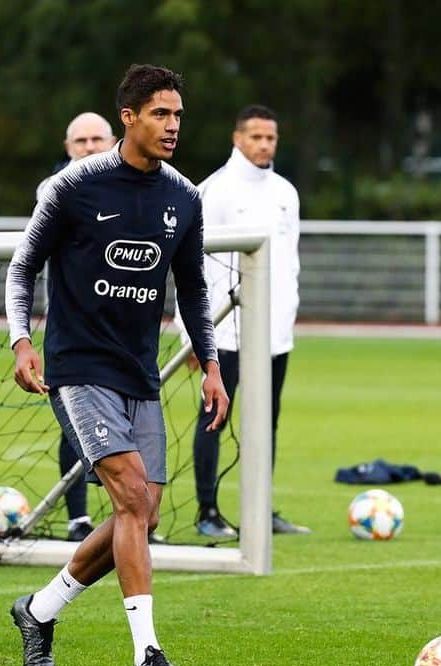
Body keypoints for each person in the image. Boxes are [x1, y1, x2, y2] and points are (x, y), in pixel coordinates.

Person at [5, 64, 227, 666]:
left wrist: (210, 366)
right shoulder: (74, 186)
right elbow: (21, 269)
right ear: (128, 118)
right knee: (131, 499)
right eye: (161, 114)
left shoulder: (183, 197)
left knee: (144, 513)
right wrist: (23, 342)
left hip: (140, 372)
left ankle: (39, 610)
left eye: (179, 115)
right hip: (78, 368)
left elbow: (194, 290)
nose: (173, 125)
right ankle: (147, 652)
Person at [182, 104, 310, 539]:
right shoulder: (212, 192)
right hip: (224, 331)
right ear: (237, 139)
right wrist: (193, 336)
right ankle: (207, 511)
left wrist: (287, 315)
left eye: (270, 138)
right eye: (255, 136)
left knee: (265, 421)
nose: (264, 144)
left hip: (273, 333)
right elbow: (189, 268)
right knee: (214, 418)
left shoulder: (285, 193)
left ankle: (260, 509)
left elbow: (289, 262)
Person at [37, 112, 117, 542]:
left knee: (132, 423)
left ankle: (133, 515)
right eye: (80, 140)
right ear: (68, 148)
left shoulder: (136, 185)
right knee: (75, 422)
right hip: (70, 331)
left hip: (123, 330)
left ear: (113, 141)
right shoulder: (54, 191)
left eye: (97, 139)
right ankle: (78, 518)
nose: (88, 146)